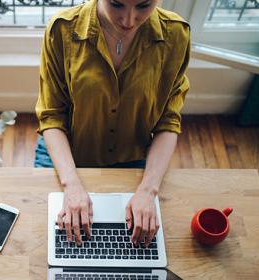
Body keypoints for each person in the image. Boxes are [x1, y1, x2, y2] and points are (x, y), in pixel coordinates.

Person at [34, 0, 190, 248]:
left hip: (134, 157)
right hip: (68, 154)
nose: (128, 21)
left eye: (144, 5)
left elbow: (168, 120)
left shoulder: (176, 35)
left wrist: (148, 190)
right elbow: (52, 116)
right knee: (44, 242)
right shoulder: (61, 30)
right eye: (116, 4)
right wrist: (71, 184)